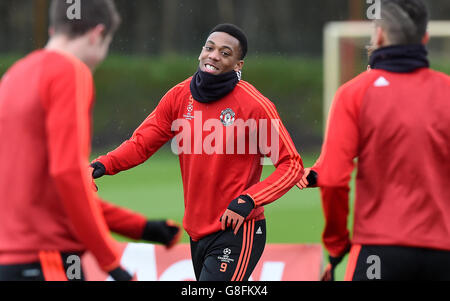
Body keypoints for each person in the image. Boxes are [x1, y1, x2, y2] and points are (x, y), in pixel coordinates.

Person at [91, 23, 304, 281]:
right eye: (209, 48)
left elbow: (291, 164)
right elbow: (141, 143)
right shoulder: (179, 96)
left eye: (225, 53)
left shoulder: (255, 106)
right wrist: (101, 166)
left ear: (238, 65)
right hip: (196, 231)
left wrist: (248, 200)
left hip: (238, 229)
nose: (214, 55)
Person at [0, 0, 180, 281]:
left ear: (54, 28)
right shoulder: (70, 72)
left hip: (10, 263)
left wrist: (140, 227)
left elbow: (52, 192)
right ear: (97, 34)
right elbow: (69, 175)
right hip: (49, 263)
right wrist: (111, 263)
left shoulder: (13, 76)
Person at [297, 0, 450, 281]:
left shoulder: (354, 93)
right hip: (443, 250)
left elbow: (332, 180)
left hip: (379, 251)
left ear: (379, 35)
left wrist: (336, 244)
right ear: (425, 38)